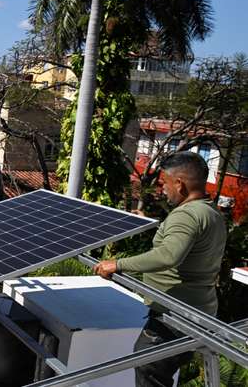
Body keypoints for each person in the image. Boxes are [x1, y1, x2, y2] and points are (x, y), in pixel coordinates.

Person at [93, 151, 226, 387]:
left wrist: (118, 264)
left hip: (175, 316)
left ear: (180, 184)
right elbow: (185, 246)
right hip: (199, 310)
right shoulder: (210, 211)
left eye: (165, 183)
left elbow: (168, 255)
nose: (161, 189)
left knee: (149, 369)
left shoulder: (186, 216)